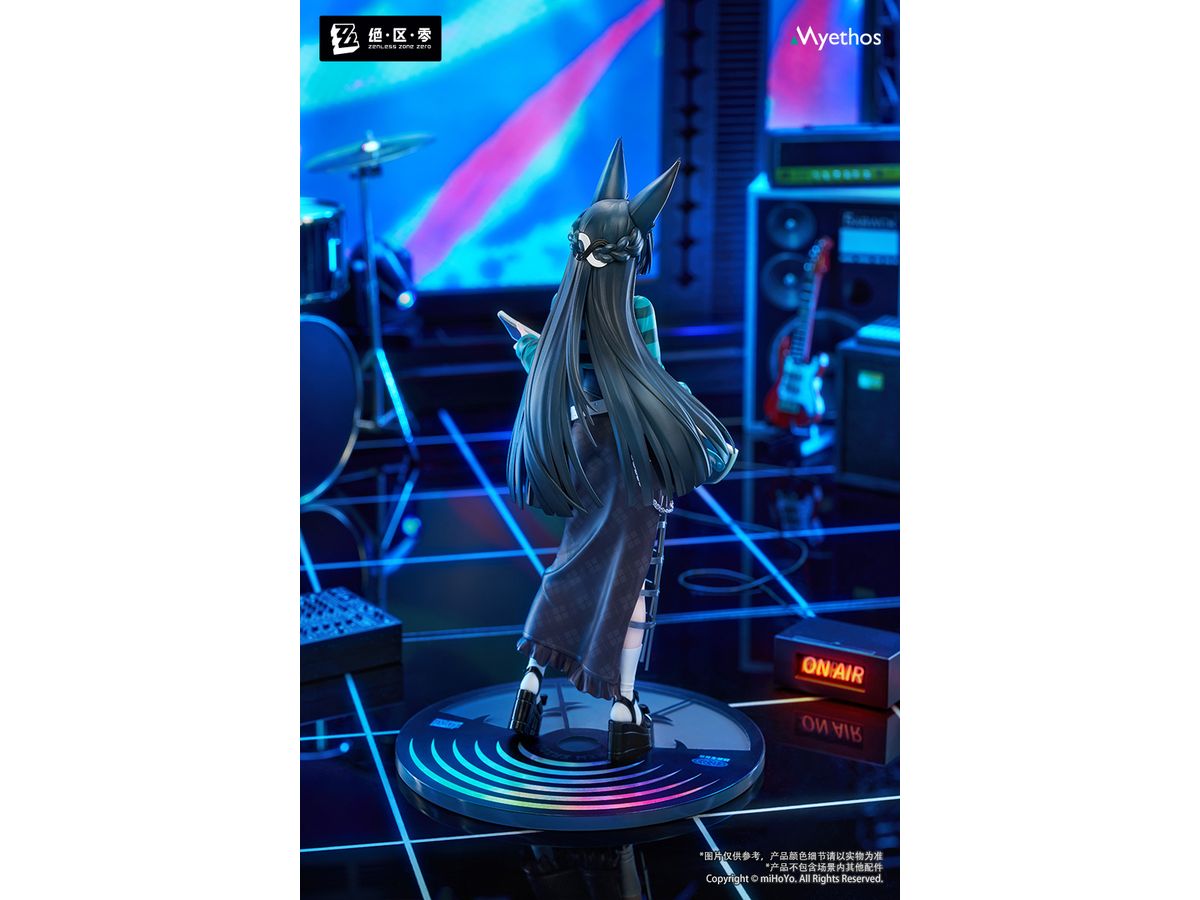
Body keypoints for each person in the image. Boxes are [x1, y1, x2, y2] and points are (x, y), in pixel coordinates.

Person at [501, 139, 737, 763]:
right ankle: (623, 707)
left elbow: (550, 372)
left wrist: (529, 347)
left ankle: (530, 688)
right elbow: (651, 381)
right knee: (628, 586)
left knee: (573, 567)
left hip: (585, 456)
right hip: (632, 466)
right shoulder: (635, 313)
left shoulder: (564, 311)